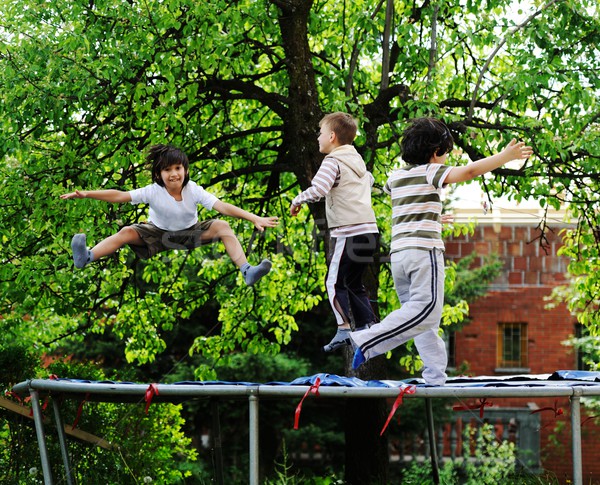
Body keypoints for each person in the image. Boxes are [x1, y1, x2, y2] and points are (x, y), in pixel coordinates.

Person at [350, 117, 533, 384]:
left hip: (400, 256)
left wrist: (434, 217)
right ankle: (367, 340)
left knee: (424, 321)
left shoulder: (396, 178)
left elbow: (409, 208)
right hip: (424, 253)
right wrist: (504, 156)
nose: (447, 160)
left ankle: (435, 375)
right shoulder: (430, 171)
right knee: (428, 310)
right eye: (446, 154)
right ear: (436, 153)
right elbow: (468, 172)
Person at [61, 144, 278, 286]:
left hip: (190, 233)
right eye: (167, 170)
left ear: (185, 170)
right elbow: (119, 196)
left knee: (222, 225)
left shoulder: (193, 189)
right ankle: (87, 257)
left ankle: (247, 270)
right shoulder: (153, 191)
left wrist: (254, 217)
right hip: (157, 233)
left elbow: (222, 206)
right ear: (159, 174)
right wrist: (87, 194)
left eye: (177, 168)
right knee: (126, 231)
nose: (174, 174)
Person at [290, 112, 379, 352]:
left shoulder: (332, 162)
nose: (318, 138)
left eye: (320, 134)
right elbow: (370, 183)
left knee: (333, 282)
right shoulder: (358, 162)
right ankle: (366, 328)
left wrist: (297, 199)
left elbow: (319, 188)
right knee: (354, 283)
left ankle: (343, 328)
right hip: (370, 232)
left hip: (348, 232)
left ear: (331, 136)